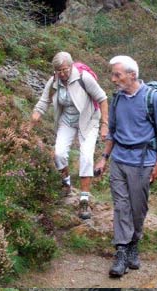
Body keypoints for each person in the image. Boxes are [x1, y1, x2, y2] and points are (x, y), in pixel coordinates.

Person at [94, 55, 157, 278]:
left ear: (132, 75)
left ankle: (133, 244)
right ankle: (121, 251)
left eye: (117, 75)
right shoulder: (118, 99)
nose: (113, 79)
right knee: (121, 206)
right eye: (113, 74)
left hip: (143, 163)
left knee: (138, 209)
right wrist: (103, 158)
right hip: (119, 161)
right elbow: (112, 132)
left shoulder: (153, 99)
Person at [31, 51, 108, 219]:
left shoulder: (84, 78)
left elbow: (102, 99)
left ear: (71, 66)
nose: (62, 74)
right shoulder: (54, 81)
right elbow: (44, 101)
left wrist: (104, 125)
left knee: (86, 157)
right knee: (58, 153)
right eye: (59, 70)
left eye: (65, 69)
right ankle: (66, 185)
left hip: (88, 120)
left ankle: (84, 201)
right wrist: (35, 116)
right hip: (67, 120)